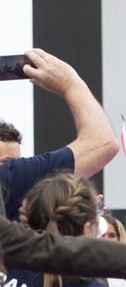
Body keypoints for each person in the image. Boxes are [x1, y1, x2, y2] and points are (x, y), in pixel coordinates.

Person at [1, 48, 118, 219]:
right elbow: (103, 143)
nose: (13, 166)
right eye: (7, 162)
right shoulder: (10, 180)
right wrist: (70, 84)